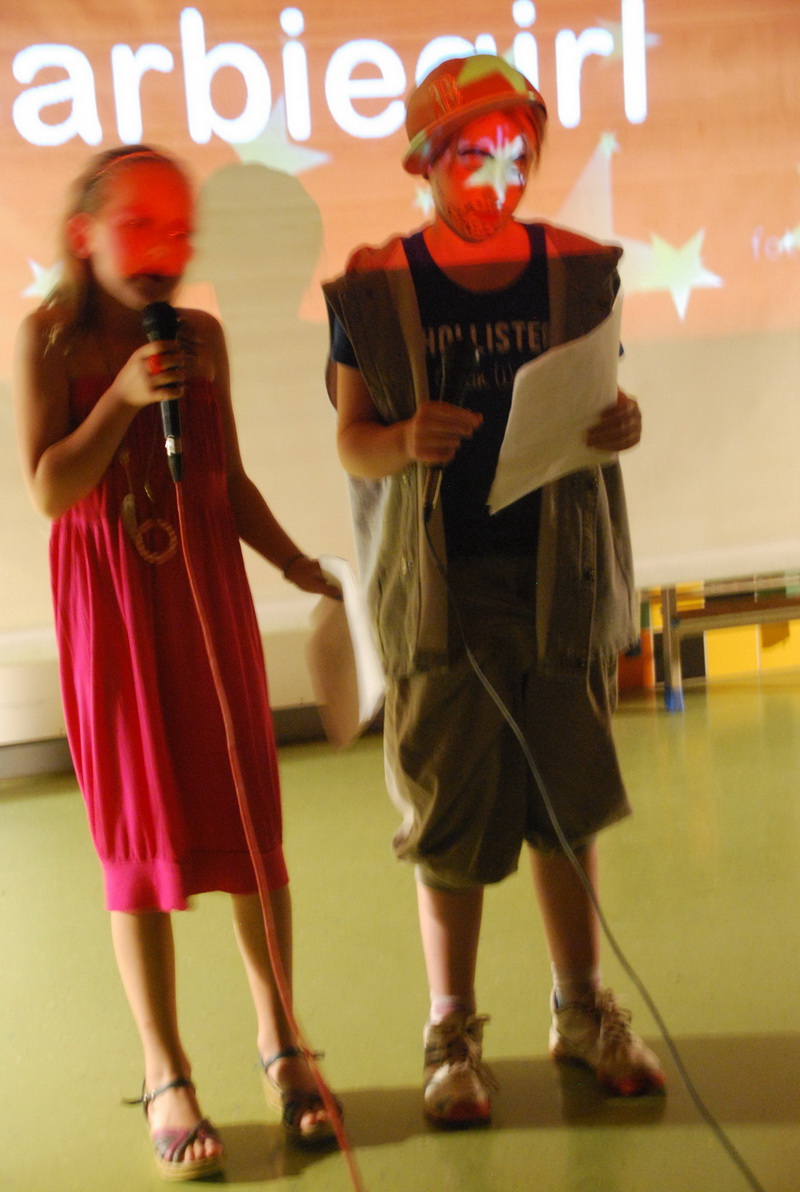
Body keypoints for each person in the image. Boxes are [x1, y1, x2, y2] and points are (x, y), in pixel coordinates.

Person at [324, 55, 665, 1127]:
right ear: (423, 161)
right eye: (473, 151)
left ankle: (581, 1010)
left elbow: (598, 399)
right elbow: (353, 441)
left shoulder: (574, 269)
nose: (498, 173)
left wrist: (620, 421)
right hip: (440, 593)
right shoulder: (379, 285)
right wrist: (400, 440)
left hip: (558, 578)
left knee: (566, 804)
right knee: (450, 816)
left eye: (517, 151)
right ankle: (452, 1034)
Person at [13, 144, 343, 1180]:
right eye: (139, 225)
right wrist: (119, 398)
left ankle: (282, 1042)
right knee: (139, 836)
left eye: (180, 230)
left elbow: (226, 478)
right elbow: (50, 489)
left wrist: (296, 562)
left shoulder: (201, 336)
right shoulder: (47, 339)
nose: (165, 249)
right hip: (114, 615)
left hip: (205, 600)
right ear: (84, 235)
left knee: (247, 824)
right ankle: (165, 1070)